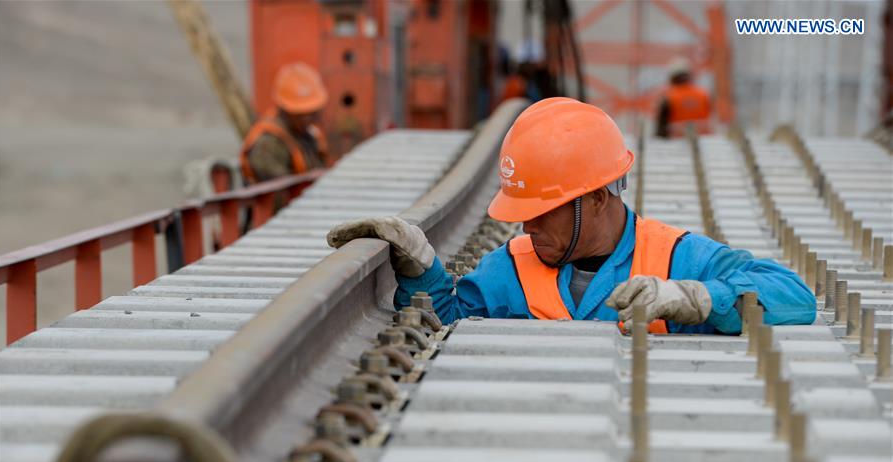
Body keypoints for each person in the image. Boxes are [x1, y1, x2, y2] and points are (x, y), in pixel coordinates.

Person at [328, 98, 816, 333]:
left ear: (598, 198)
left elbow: (796, 300)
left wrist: (698, 297)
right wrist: (420, 270)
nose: (526, 226)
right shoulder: (512, 268)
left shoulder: (675, 259)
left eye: (543, 211)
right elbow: (446, 323)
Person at [240, 62, 328, 188]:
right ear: (285, 110)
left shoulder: (308, 134)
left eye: (312, 112)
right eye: (302, 114)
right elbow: (283, 192)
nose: (309, 119)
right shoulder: (268, 145)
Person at [656, 57, 712, 138]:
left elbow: (661, 128)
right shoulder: (703, 94)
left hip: (677, 142)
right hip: (704, 141)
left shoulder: (668, 96)